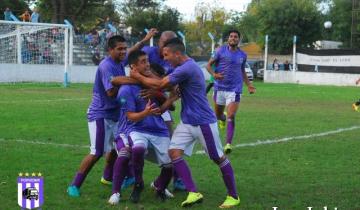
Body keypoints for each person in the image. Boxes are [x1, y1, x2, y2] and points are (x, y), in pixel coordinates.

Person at [130, 38, 240, 208]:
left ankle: (233, 196)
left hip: (203, 122)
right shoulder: (182, 67)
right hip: (188, 122)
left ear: (177, 53)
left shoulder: (187, 68)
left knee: (218, 157)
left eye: (166, 55)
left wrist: (136, 75)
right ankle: (193, 192)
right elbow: (168, 87)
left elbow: (160, 83)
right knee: (174, 153)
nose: (164, 58)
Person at [67, 30, 157, 197]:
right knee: (97, 152)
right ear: (110, 50)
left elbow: (134, 50)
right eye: (119, 49)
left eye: (124, 48)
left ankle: (109, 177)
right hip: (100, 114)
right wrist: (140, 81)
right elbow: (111, 92)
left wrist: (145, 39)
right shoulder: (106, 66)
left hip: (116, 115)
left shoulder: (121, 60)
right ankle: (74, 185)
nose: (123, 51)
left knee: (120, 147)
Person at [110, 50, 173, 204]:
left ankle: (160, 187)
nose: (147, 64)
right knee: (129, 151)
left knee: (171, 162)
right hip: (133, 129)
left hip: (158, 130)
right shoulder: (125, 89)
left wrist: (168, 97)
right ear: (133, 67)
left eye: (147, 61)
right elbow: (130, 115)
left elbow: (167, 106)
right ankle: (125, 188)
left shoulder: (153, 85)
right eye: (143, 61)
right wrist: (146, 112)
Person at [141, 30, 186, 191]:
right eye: (162, 43)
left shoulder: (176, 61)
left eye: (168, 44)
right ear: (159, 42)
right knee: (128, 143)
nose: (164, 47)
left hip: (161, 101)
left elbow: (172, 91)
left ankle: (177, 179)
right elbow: (133, 67)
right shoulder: (147, 52)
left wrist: (166, 95)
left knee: (172, 144)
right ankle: (128, 177)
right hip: (141, 101)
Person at [206, 30, 256, 154]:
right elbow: (208, 65)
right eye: (231, 36)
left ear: (239, 40)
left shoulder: (242, 55)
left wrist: (249, 85)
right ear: (228, 39)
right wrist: (214, 74)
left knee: (231, 115)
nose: (233, 38)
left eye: (236, 37)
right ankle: (221, 119)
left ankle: (228, 144)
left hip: (235, 89)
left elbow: (242, 71)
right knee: (218, 115)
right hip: (219, 88)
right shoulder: (219, 51)